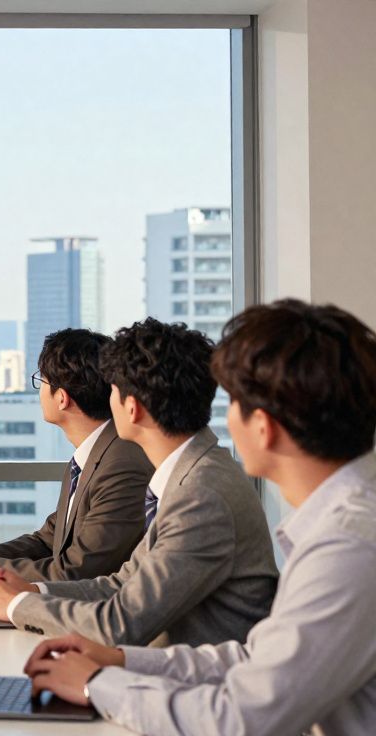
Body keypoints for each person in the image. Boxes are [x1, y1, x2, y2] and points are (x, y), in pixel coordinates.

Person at [24, 299, 376, 735]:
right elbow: (254, 658)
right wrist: (121, 661)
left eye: (234, 403)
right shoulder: (342, 526)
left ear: (263, 427)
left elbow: (242, 718)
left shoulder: (347, 547)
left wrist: (100, 685)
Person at [0, 318, 278, 647]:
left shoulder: (200, 495)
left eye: (111, 389)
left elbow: (122, 622)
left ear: (131, 407)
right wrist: (31, 592)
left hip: (195, 683)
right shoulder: (189, 475)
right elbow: (120, 584)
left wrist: (15, 606)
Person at [0, 329, 151, 585]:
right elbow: (47, 540)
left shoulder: (121, 465)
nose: (40, 392)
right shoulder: (91, 456)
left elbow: (76, 570)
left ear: (62, 398)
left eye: (41, 381)